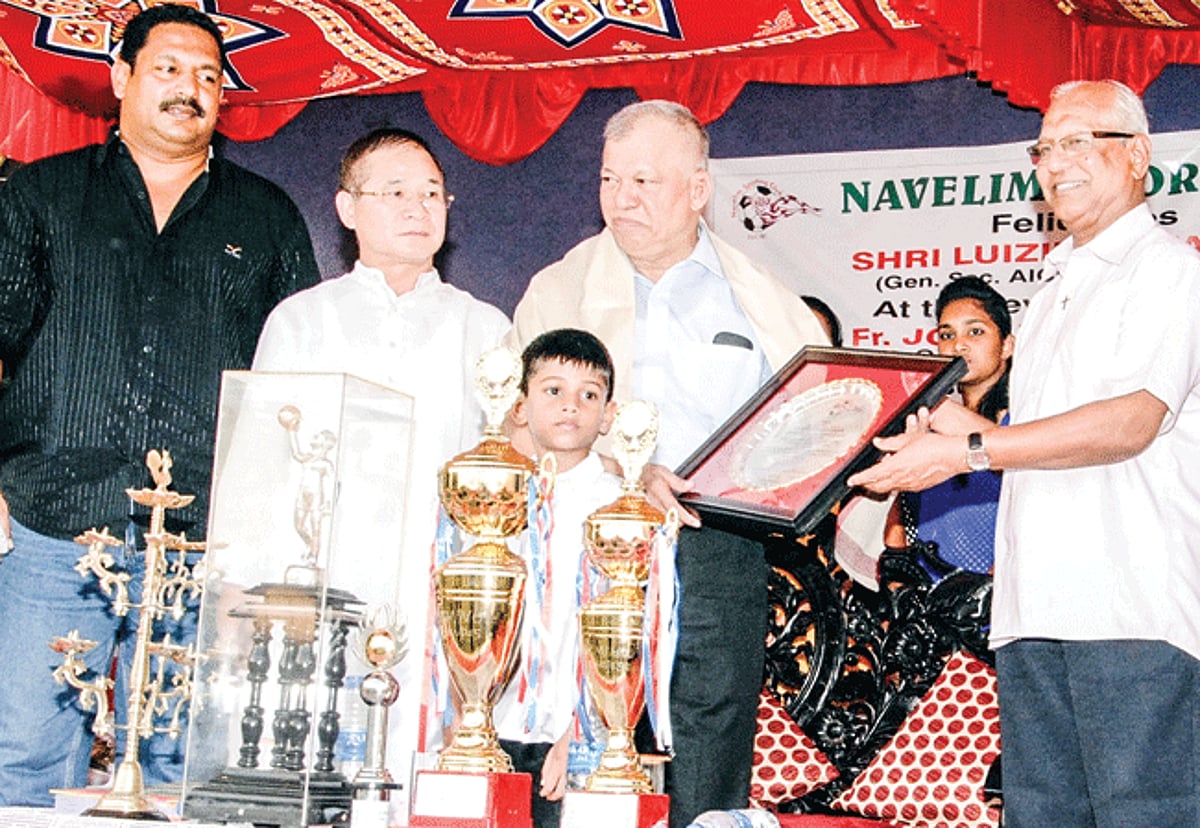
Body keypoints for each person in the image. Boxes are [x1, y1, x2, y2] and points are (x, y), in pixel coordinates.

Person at [848, 80, 1200, 825]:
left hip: (1128, 607)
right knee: (1039, 814)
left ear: (1137, 155)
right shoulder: (1050, 290)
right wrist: (928, 435)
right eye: (1045, 147)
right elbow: (1025, 441)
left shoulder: (1168, 270)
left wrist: (969, 449)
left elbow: (1132, 421)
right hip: (1033, 605)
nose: (1056, 162)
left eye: (1080, 141)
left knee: (1143, 812)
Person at [0, 3, 320, 804]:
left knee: (190, 764)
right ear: (121, 80)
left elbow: (298, 389)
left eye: (209, 76)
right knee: (25, 753)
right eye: (169, 69)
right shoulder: (39, 195)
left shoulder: (268, 217)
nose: (191, 88)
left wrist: (278, 534)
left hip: (207, 543)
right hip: (50, 523)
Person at [507, 99, 831, 826]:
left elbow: (809, 423)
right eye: (609, 179)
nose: (622, 199)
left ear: (697, 190)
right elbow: (514, 429)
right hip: (586, 540)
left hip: (715, 544)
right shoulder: (556, 291)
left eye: (645, 182)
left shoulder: (762, 302)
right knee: (575, 735)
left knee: (711, 734)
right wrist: (623, 469)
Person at [252, 127, 510, 809]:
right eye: (394, 192)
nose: (418, 208)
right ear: (346, 208)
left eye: (431, 194)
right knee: (309, 771)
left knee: (419, 775)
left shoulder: (487, 329)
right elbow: (262, 472)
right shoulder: (301, 320)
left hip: (435, 594)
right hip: (324, 587)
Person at [491, 328, 621, 828]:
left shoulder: (618, 508)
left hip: (574, 735)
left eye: (589, 395)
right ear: (520, 406)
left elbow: (626, 642)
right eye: (553, 391)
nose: (571, 406)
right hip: (492, 726)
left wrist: (581, 737)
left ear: (608, 414)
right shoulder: (491, 494)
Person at [883, 276, 1013, 577]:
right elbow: (899, 525)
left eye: (975, 332)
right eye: (946, 335)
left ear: (1006, 345)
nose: (958, 345)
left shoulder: (1026, 424)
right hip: (930, 608)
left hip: (997, 604)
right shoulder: (926, 429)